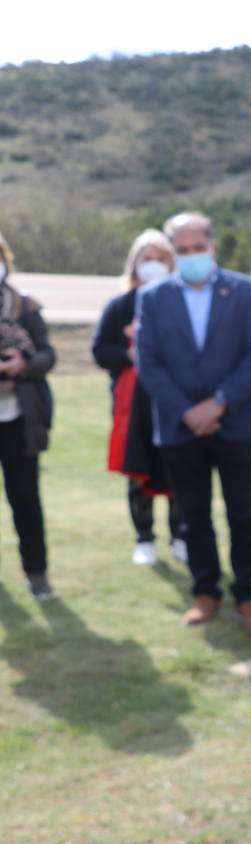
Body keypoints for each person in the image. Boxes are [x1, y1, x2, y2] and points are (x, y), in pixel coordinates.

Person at [136, 212, 251, 633]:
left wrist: (219, 404)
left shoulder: (243, 291)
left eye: (198, 248)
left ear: (212, 248)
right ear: (173, 252)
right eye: (183, 250)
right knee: (193, 515)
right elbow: (150, 363)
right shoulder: (154, 298)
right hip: (181, 426)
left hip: (237, 422)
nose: (191, 256)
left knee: (243, 513)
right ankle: (205, 592)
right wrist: (188, 411)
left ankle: (247, 596)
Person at [92, 229, 189, 568]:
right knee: (138, 468)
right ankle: (144, 537)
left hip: (174, 399)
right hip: (133, 402)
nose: (154, 265)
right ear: (134, 263)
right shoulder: (120, 306)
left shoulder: (181, 301)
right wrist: (134, 354)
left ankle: (180, 534)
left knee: (179, 466)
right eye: (146, 258)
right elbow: (101, 350)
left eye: (161, 258)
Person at [0, 232, 56, 601]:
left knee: (25, 499)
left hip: (20, 419)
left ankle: (36, 574)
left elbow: (48, 355)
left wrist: (24, 363)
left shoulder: (26, 309)